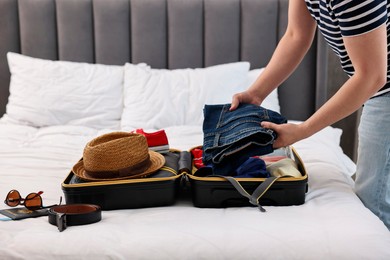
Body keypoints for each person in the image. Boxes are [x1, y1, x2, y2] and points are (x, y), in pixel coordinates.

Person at [230, 0, 390, 230]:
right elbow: (296, 35)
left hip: (382, 87)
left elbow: (372, 76)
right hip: (378, 87)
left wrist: (302, 131)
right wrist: (256, 93)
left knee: (373, 203)